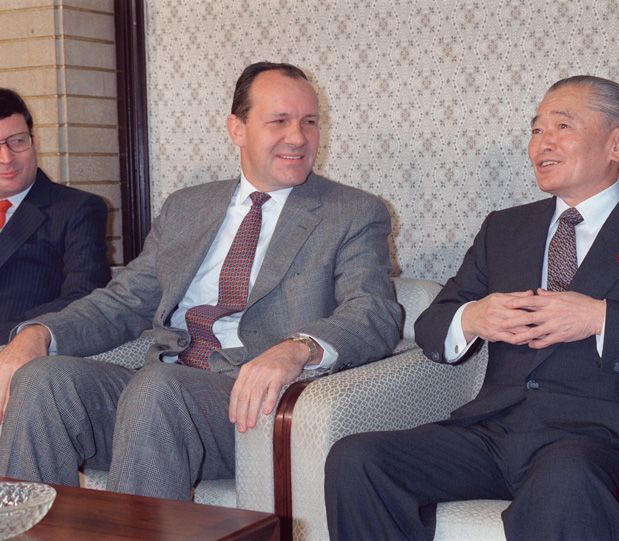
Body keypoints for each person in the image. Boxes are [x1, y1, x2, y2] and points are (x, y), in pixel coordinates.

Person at [325, 75, 619, 540]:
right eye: (536, 130)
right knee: (358, 459)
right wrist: (474, 317)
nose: (541, 144)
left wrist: (598, 318)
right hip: (491, 431)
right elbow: (431, 327)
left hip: (598, 441)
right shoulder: (505, 229)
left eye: (562, 127)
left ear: (618, 142)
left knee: (567, 477)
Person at [0, 62, 402, 500]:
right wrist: (39, 333)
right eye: (279, 121)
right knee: (42, 379)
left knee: (157, 388)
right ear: (237, 128)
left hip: (247, 403)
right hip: (157, 387)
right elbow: (122, 301)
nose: (298, 138)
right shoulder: (187, 207)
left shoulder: (352, 212)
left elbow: (373, 311)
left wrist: (298, 347)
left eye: (309, 122)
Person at [0, 88, 110, 342]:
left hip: (23, 350)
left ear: (33, 140)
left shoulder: (78, 209)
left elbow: (84, 296)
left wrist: (19, 332)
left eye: (17, 141)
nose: (7, 158)